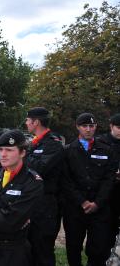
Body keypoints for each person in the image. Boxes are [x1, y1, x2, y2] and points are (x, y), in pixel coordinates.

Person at [0, 129, 44, 266]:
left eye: (9, 150)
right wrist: (0, 217)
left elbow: (11, 221)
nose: (3, 155)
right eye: (0, 150)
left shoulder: (32, 182)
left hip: (13, 252)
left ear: (22, 152)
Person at [62, 113, 116, 266]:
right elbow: (66, 181)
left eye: (91, 126)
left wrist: (97, 203)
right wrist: (82, 201)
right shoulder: (68, 151)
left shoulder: (106, 150)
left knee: (98, 248)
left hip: (99, 208)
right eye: (84, 126)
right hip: (75, 208)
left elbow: (109, 179)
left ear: (95, 127)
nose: (88, 129)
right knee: (73, 246)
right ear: (78, 127)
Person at [24, 107, 64, 266]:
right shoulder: (35, 142)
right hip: (31, 201)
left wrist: (22, 155)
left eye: (28, 120)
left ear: (36, 122)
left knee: (43, 250)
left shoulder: (53, 143)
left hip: (46, 204)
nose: (26, 123)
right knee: (29, 247)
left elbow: (40, 168)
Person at [98, 113, 120, 248]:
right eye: (118, 127)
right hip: (104, 192)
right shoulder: (101, 142)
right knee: (103, 229)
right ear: (111, 126)